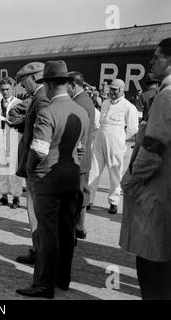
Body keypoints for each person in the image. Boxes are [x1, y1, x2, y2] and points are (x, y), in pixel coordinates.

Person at [16, 60, 89, 299]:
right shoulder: (81, 111)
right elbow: (80, 149)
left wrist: (31, 170)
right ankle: (63, 278)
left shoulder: (48, 112)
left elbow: (39, 149)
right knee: (67, 231)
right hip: (71, 177)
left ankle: (44, 284)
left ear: (47, 84)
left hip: (48, 179)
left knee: (48, 233)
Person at [120, 38, 171, 300]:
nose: (151, 61)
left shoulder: (166, 96)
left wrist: (129, 182)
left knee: (152, 269)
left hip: (154, 195)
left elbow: (152, 149)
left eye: (157, 56)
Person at [8, 62, 48, 265]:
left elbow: (41, 135)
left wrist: (30, 164)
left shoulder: (41, 98)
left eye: (24, 82)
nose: (24, 87)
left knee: (34, 210)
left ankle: (39, 252)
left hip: (37, 164)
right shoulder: (41, 97)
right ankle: (38, 250)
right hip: (37, 162)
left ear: (33, 78)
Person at [88, 79, 139, 214]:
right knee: (94, 169)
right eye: (111, 89)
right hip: (100, 138)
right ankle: (89, 200)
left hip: (116, 142)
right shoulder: (104, 103)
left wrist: (121, 138)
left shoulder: (129, 106)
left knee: (115, 172)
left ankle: (113, 202)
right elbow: (100, 121)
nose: (112, 92)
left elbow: (133, 128)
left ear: (122, 90)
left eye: (115, 89)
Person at [67, 71, 95, 240]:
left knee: (77, 194)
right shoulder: (84, 100)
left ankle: (77, 227)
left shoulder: (81, 103)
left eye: (67, 86)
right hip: (82, 156)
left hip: (79, 156)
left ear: (73, 85)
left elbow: (80, 133)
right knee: (80, 192)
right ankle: (79, 227)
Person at [0, 77, 22, 209]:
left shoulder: (19, 104)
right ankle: (3, 195)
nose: (5, 92)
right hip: (0, 140)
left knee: (14, 171)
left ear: (13, 89)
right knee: (1, 170)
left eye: (7, 89)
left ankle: (16, 197)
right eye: (2, 90)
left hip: (14, 139)